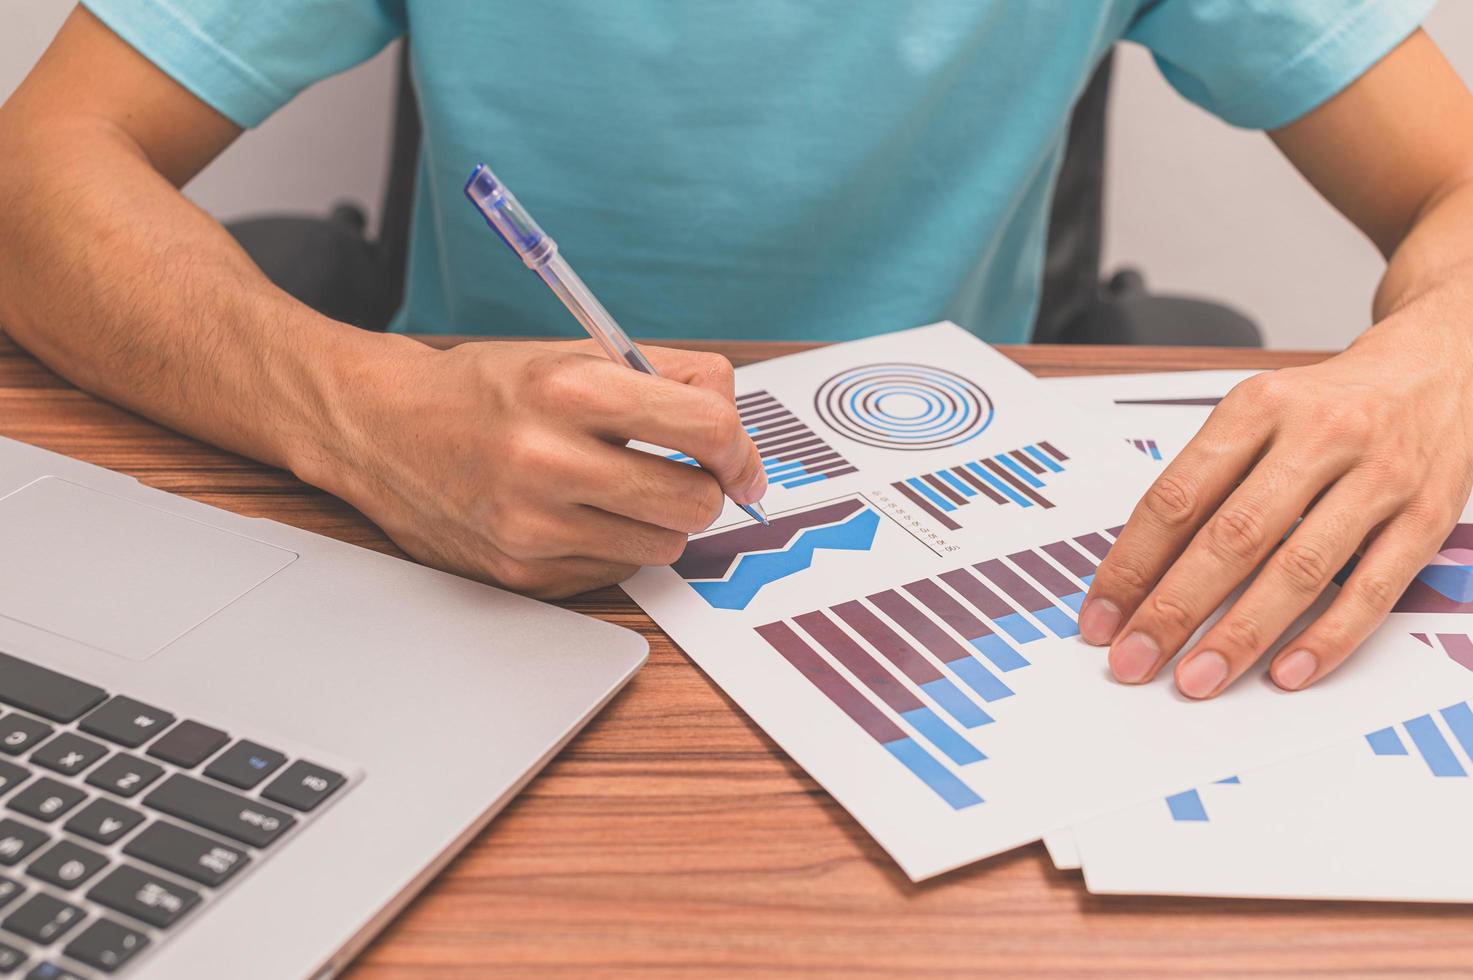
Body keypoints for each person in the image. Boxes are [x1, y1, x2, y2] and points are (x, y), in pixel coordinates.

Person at [1, 3, 1470, 704]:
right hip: (440, 548)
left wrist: (1436, 361)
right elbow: (37, 169)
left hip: (926, 584)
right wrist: (348, 411)